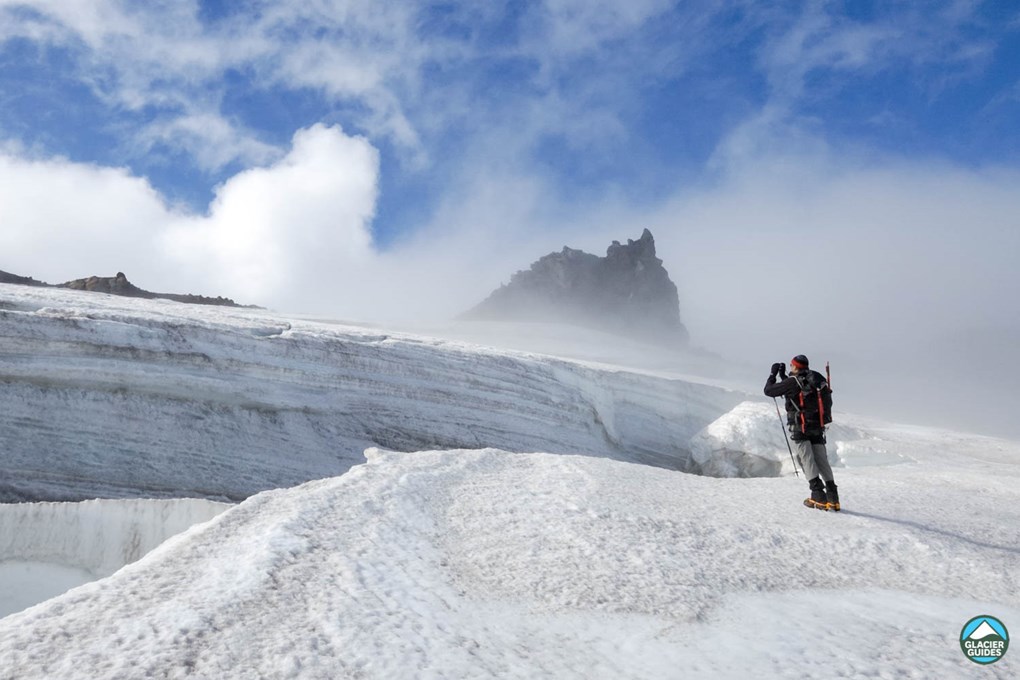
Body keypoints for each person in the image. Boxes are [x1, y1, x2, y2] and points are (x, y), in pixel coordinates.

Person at [764, 355, 840, 511]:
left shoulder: (793, 382)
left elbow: (769, 391)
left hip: (801, 427)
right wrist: (784, 376)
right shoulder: (816, 379)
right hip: (817, 426)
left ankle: (818, 496)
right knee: (821, 460)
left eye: (792, 366)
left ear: (795, 367)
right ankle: (833, 499)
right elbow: (798, 391)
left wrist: (773, 375)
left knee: (807, 460)